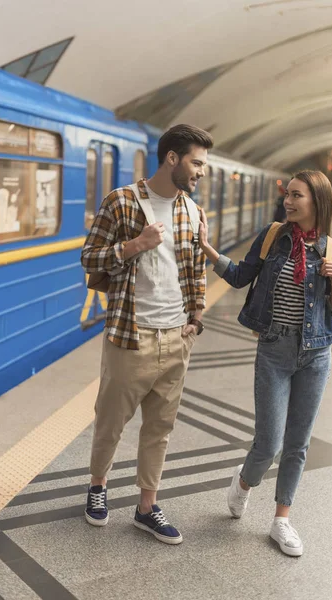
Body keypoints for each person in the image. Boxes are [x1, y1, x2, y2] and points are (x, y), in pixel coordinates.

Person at [198, 170, 332, 557]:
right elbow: (239, 276)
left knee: (297, 444)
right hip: (274, 350)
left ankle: (281, 520)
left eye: (297, 196)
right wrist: (207, 249)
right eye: (288, 195)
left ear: (317, 201)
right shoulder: (273, 237)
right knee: (267, 443)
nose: (289, 201)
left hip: (315, 354)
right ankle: (244, 483)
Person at [81, 124, 213, 544]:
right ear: (172, 158)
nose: (201, 172)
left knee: (161, 427)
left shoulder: (192, 210)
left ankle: (146, 507)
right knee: (110, 421)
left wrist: (195, 318)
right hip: (130, 334)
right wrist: (135, 245)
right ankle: (98, 487)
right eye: (196, 162)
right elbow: (89, 257)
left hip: (176, 336)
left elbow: (194, 271)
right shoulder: (121, 202)